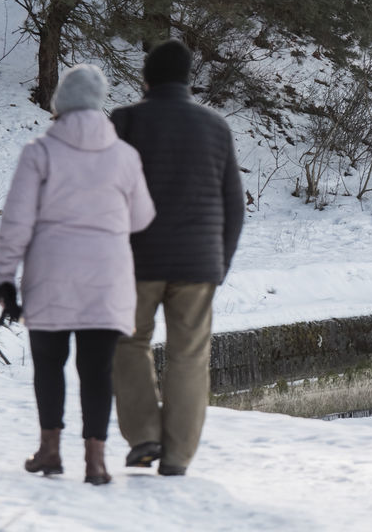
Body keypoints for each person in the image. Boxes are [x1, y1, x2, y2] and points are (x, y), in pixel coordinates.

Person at [0, 64, 155, 486]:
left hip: (50, 275)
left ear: (60, 103)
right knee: (97, 370)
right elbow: (141, 218)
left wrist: (1, 277)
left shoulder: (39, 151)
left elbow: (16, 223)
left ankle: (49, 451)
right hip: (107, 278)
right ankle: (96, 462)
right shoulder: (126, 156)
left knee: (48, 364)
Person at [110, 38, 244, 476]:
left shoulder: (125, 120)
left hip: (136, 261)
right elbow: (233, 205)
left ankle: (145, 437)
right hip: (198, 262)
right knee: (189, 355)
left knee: (129, 343)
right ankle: (177, 457)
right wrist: (219, 262)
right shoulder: (215, 126)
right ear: (189, 80)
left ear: (145, 78)